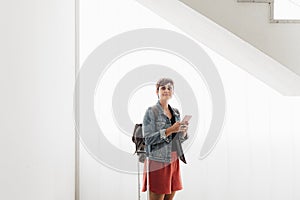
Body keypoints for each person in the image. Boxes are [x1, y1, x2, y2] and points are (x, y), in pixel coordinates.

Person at [142, 78, 189, 200]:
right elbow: (147, 140)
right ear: (157, 91)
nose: (166, 90)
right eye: (163, 88)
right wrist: (170, 130)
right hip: (158, 162)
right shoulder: (151, 111)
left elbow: (177, 140)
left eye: (169, 88)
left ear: (172, 92)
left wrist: (183, 133)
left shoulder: (176, 112)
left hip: (174, 159)